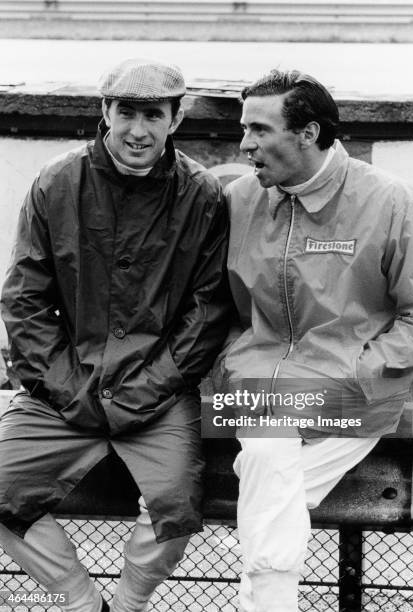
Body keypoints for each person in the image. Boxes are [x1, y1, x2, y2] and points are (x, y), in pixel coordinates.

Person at [0, 58, 230, 612]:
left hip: (158, 392)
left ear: (175, 119)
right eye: (126, 111)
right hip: (64, 388)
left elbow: (208, 311)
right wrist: (64, 385)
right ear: (104, 111)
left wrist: (150, 387)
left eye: (154, 114)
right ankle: (82, 603)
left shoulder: (202, 196)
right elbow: (24, 297)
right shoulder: (56, 182)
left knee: (176, 506)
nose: (137, 130)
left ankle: (126, 605)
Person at [220, 69, 413, 612]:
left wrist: (357, 376)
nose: (244, 144)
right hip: (254, 386)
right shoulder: (238, 199)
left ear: (309, 132)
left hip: (356, 388)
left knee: (266, 467)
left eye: (259, 129)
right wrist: (231, 366)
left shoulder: (391, 200)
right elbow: (215, 306)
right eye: (243, 128)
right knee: (272, 461)